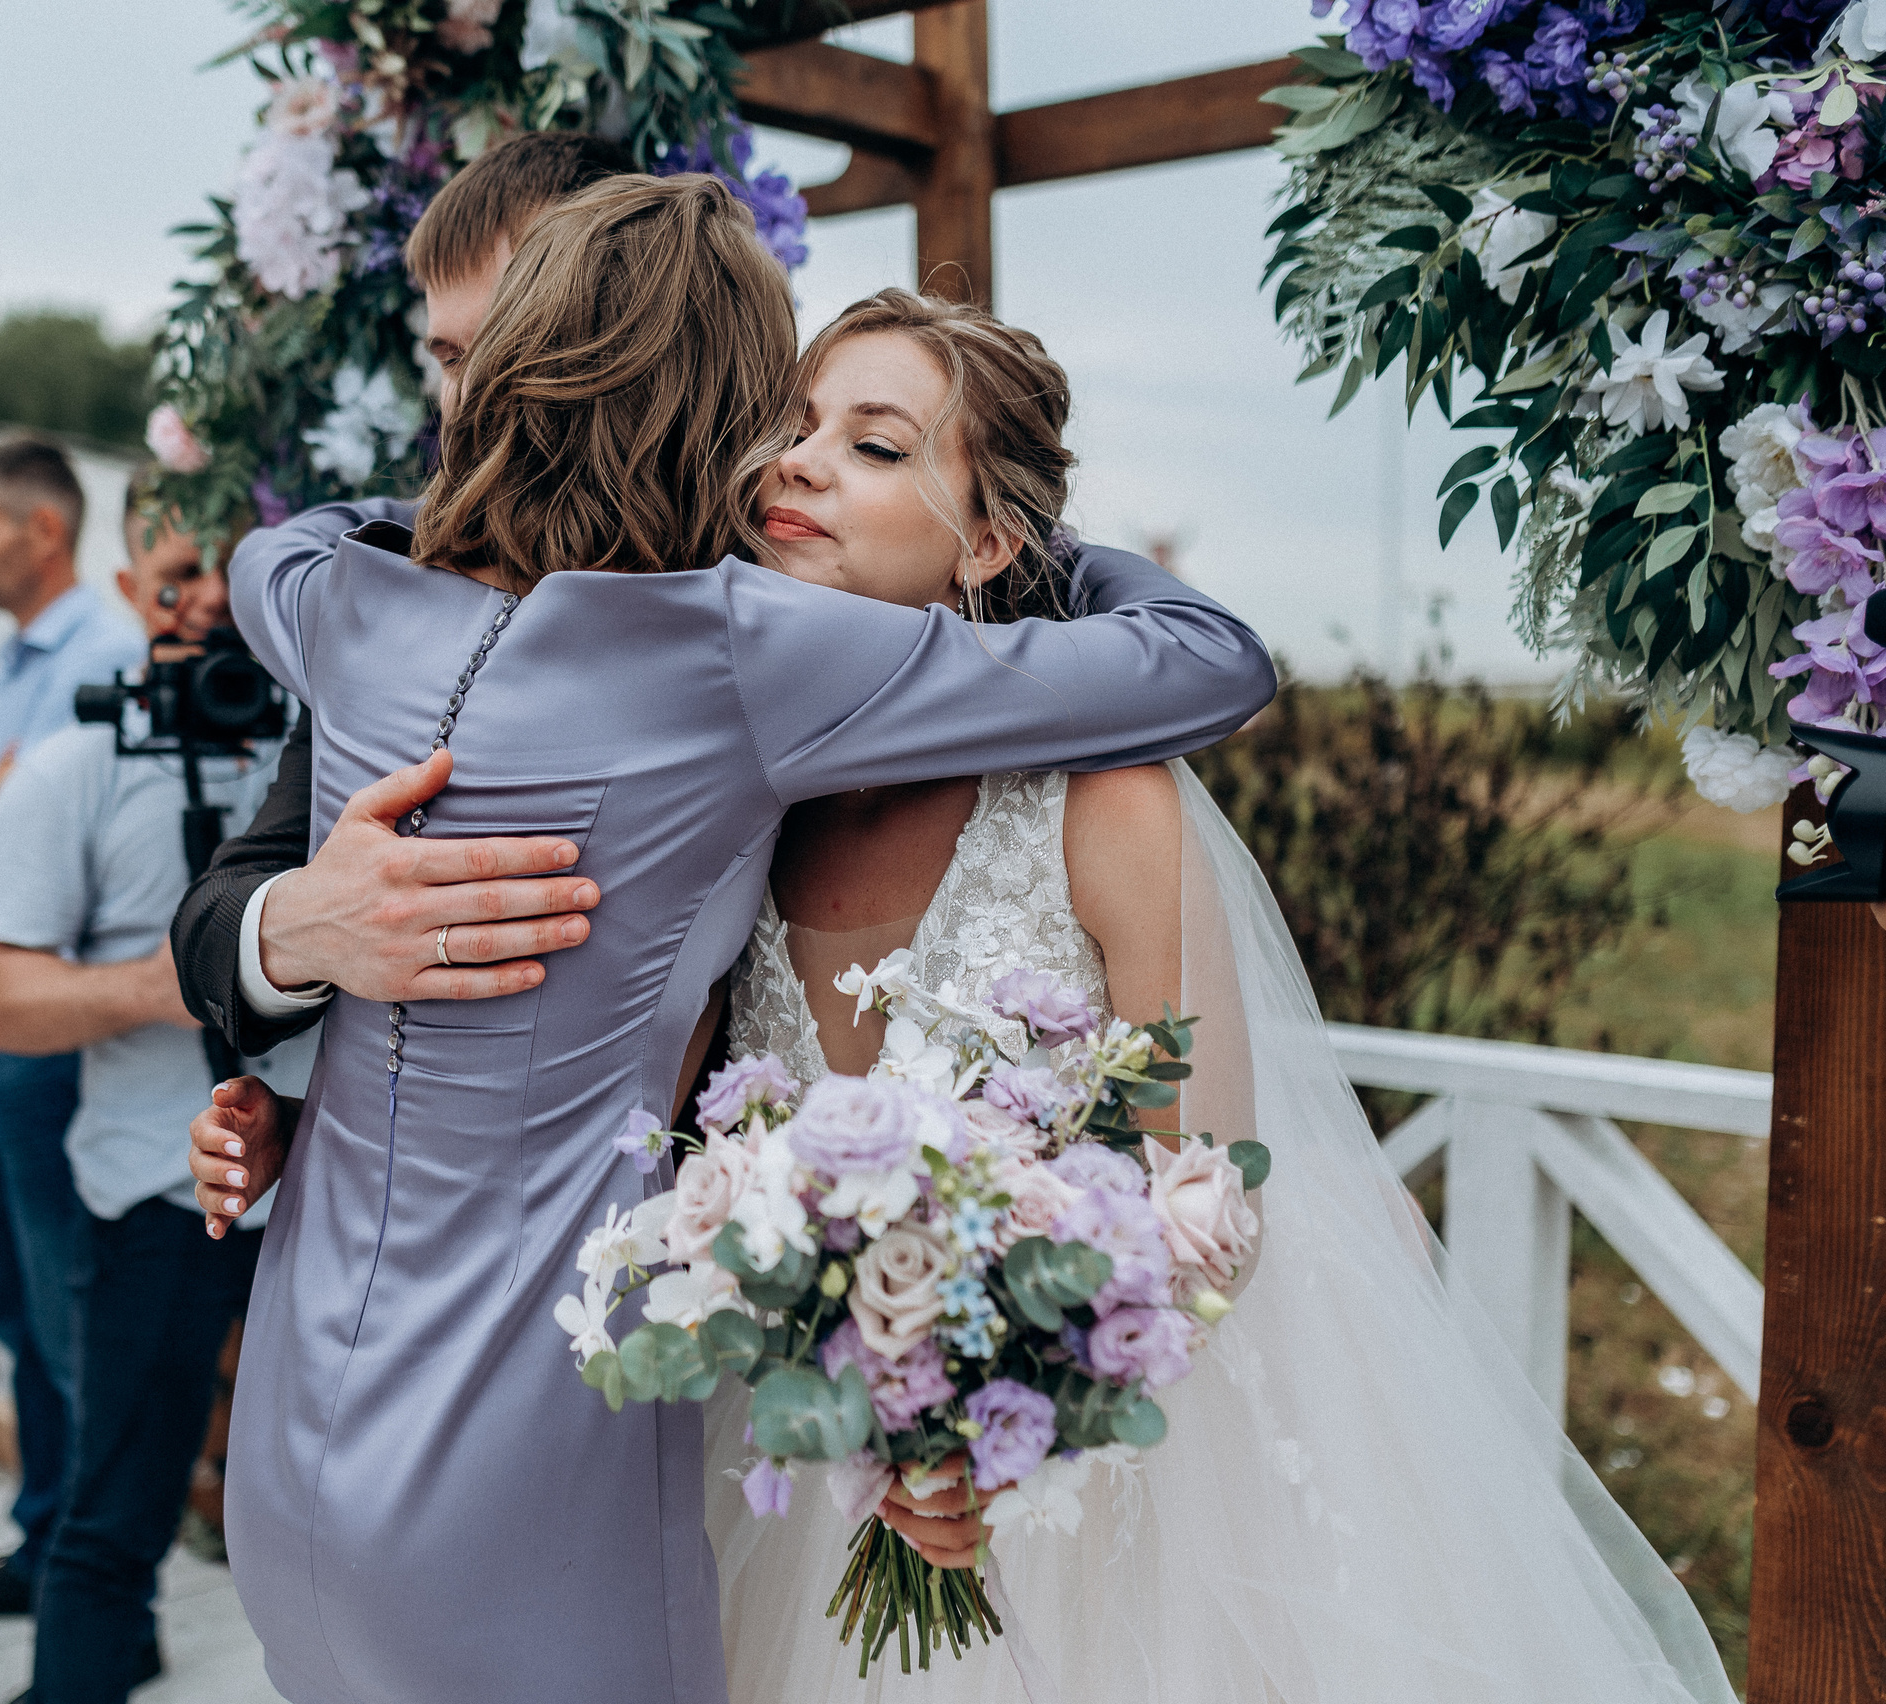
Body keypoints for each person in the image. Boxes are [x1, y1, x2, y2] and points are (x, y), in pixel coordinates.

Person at [206, 176, 1272, 1704]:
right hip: (521, 1459)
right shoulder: (729, 647)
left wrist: (448, 509)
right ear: (728, 414)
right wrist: (1045, 555)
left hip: (293, 1433)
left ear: (501, 379)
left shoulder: (337, 604)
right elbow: (1209, 661)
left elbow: (288, 543)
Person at [686, 288, 1735, 1704]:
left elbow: (1203, 1205)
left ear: (988, 541)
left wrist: (973, 1432)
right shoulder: (735, 796)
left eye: (874, 447)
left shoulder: (1105, 798)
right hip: (783, 1471)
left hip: (1082, 1499)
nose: (797, 463)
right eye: (793, 429)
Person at [0, 469, 312, 1704]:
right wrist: (185, 979)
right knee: (110, 1513)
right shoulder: (71, 768)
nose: (206, 604)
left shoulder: (341, 740)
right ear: (127, 589)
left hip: (332, 1193)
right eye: (173, 579)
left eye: (233, 573)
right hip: (152, 1188)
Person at [169, 130, 631, 1075]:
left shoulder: (775, 596)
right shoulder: (394, 596)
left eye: (508, 349)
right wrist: (298, 931)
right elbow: (218, 916)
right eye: (454, 360)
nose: (469, 403)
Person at [0, 432, 142, 1618]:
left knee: (61, 1310)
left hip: (44, 1039)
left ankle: (94, 1587)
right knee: (14, 1300)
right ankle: (45, 1543)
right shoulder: (14, 665)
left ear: (42, 530)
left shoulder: (103, 654)